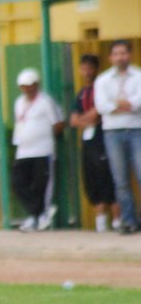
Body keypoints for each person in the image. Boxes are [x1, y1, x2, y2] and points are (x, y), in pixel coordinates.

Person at [94, 40, 141, 235]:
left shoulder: (138, 75)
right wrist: (126, 105)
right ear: (110, 57)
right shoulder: (102, 80)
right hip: (112, 133)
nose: (120, 57)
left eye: (123, 53)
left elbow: (139, 102)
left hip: (137, 130)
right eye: (116, 53)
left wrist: (119, 105)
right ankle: (129, 221)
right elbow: (102, 106)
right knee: (120, 180)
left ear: (130, 54)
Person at [70, 54, 119, 233]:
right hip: (88, 141)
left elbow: (97, 114)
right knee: (91, 179)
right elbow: (74, 120)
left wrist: (87, 118)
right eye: (83, 68)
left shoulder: (103, 88)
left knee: (108, 177)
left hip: (102, 138)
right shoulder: (82, 93)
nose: (86, 72)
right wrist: (86, 120)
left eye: (90, 68)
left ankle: (117, 220)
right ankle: (100, 223)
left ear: (96, 69)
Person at [11, 68, 64, 232]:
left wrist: (45, 137)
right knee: (18, 182)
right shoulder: (19, 102)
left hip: (42, 150)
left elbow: (58, 123)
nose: (27, 89)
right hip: (23, 150)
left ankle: (39, 215)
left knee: (41, 184)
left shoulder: (45, 101)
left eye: (30, 85)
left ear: (36, 85)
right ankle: (37, 212)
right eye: (24, 86)